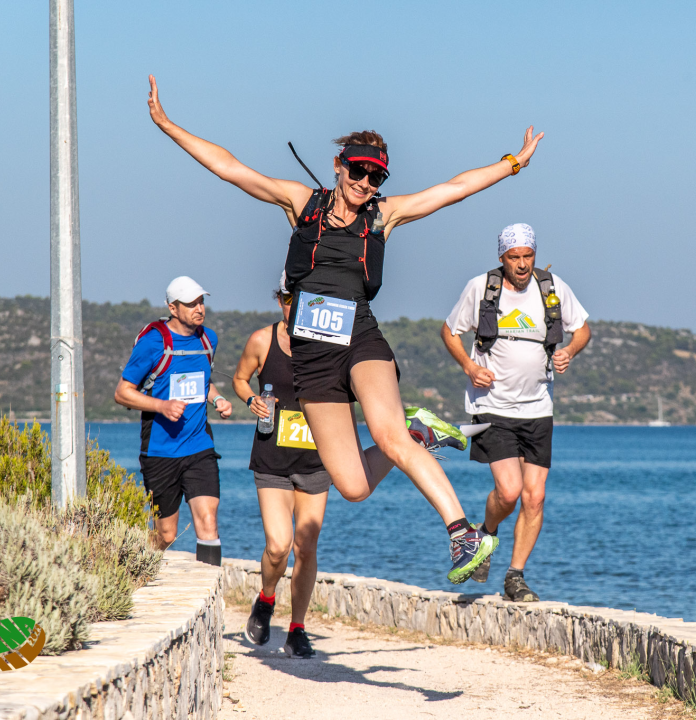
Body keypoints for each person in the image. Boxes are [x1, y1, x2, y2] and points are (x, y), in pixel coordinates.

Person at [147, 75, 543, 583]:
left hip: (360, 337)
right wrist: (168, 126)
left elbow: (454, 189)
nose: (365, 184)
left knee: (389, 436)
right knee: (353, 485)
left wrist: (513, 163)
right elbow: (230, 168)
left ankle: (462, 533)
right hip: (311, 357)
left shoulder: (383, 216)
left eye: (375, 177)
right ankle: (421, 430)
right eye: (358, 171)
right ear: (339, 166)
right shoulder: (301, 204)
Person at [232, 272, 396, 658]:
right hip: (272, 458)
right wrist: (251, 400)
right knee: (278, 546)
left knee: (306, 545)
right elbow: (241, 380)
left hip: (316, 459)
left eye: (302, 297)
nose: (294, 304)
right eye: (288, 297)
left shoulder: (332, 345)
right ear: (279, 300)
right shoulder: (262, 340)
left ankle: (298, 628)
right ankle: (267, 599)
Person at [441, 224, 591, 601]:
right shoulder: (481, 288)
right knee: (508, 493)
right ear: (501, 258)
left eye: (528, 256)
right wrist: (469, 367)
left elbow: (583, 329)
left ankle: (515, 576)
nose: (523, 265)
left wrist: (569, 352)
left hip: (539, 407)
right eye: (514, 257)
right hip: (492, 405)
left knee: (535, 497)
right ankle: (485, 535)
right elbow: (449, 331)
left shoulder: (552, 288)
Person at [114, 276, 233, 564]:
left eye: (201, 301)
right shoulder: (153, 344)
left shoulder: (208, 340)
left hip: (198, 446)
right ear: (172, 307)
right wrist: (162, 406)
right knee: (166, 535)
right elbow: (122, 393)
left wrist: (217, 399)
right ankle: (132, 571)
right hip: (160, 452)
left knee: (208, 521)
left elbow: (201, 382)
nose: (199, 308)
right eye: (191, 303)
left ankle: (208, 589)